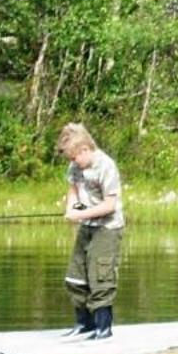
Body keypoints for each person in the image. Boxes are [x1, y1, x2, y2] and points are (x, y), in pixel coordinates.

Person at [57, 122, 124, 340]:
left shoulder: (106, 166)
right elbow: (74, 192)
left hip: (107, 227)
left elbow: (109, 206)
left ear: (85, 150)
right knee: (75, 275)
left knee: (100, 275)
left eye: (74, 157)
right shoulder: (75, 167)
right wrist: (72, 210)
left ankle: (103, 327)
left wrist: (80, 215)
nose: (72, 162)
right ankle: (84, 324)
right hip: (87, 226)